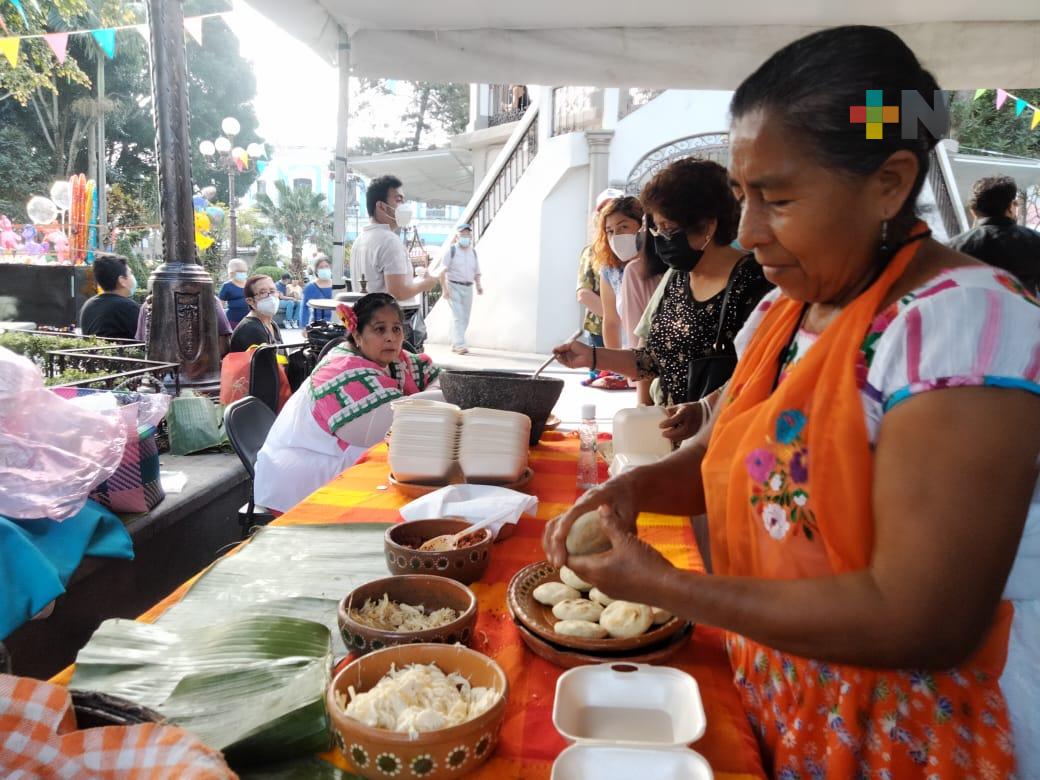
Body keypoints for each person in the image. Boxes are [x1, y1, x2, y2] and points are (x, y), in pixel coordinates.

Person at [545, 25, 1040, 777]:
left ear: (889, 181)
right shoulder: (787, 310)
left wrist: (673, 588)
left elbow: (923, 618)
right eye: (744, 196)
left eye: (777, 198)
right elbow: (720, 450)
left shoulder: (961, 326)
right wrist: (632, 487)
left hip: (891, 738)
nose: (748, 232)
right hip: (780, 699)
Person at [555, 158, 772, 427]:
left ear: (708, 225)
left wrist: (705, 410)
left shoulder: (755, 283)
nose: (660, 238)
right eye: (656, 228)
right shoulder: (677, 278)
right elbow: (653, 359)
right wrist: (592, 356)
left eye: (669, 229)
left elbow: (761, 374)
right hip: (672, 434)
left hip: (727, 439)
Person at [254, 293, 440, 513]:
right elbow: (390, 428)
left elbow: (438, 379)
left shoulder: (396, 361)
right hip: (300, 469)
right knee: (400, 468)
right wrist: (438, 400)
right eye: (380, 329)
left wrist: (436, 395)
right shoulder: (340, 371)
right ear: (357, 335)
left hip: (331, 454)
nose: (391, 337)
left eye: (396, 329)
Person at [349, 175, 441, 302]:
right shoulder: (389, 241)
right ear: (381, 206)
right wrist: (427, 283)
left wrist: (415, 281)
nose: (403, 206)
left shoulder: (359, 240)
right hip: (390, 318)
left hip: (369, 318)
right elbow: (397, 292)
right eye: (398, 200)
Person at [948, 175, 1040, 294]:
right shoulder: (1035, 241)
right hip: (1023, 311)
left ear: (973, 211)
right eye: (1015, 203)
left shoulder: (953, 247)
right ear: (1011, 207)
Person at [593, 196, 644, 350]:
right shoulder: (610, 271)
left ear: (642, 226)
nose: (616, 236)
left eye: (623, 227)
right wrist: (615, 365)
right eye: (609, 231)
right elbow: (611, 322)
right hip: (629, 357)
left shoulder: (661, 266)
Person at [135, 291, 233, 356]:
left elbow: (142, 344)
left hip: (161, 374)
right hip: (202, 373)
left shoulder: (148, 305)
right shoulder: (211, 301)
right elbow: (223, 342)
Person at [439, 223, 483, 354]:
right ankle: (459, 344)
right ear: (457, 237)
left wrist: (479, 286)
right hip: (453, 286)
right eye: (463, 235)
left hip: (468, 287)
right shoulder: (451, 251)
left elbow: (476, 271)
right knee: (458, 316)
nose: (466, 237)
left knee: (464, 317)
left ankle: (455, 341)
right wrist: (444, 289)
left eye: (468, 235)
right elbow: (442, 272)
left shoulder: (473, 252)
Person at [79, 255, 140, 340]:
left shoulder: (88, 305)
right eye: (131, 273)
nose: (133, 277)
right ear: (122, 280)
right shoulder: (127, 307)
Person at [229, 275, 283, 353]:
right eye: (262, 293)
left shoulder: (271, 324)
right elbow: (265, 363)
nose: (270, 297)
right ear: (250, 301)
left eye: (272, 291)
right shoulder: (250, 329)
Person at [299, 256, 334, 329]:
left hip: (336, 326)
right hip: (317, 327)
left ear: (330, 267)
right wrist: (304, 327)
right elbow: (304, 308)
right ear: (316, 270)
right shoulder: (310, 287)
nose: (324, 269)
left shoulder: (337, 286)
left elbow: (343, 309)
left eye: (326, 266)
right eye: (321, 267)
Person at [218, 258, 250, 328]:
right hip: (233, 320)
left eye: (244, 271)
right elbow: (220, 305)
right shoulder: (227, 286)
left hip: (249, 319)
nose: (242, 274)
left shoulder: (250, 284)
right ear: (232, 272)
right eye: (239, 271)